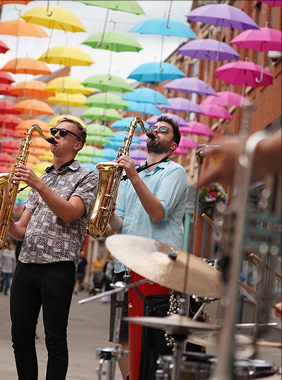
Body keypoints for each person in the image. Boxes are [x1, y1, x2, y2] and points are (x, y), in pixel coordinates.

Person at [7, 117, 98, 380]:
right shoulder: (44, 177)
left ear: (77, 144)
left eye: (62, 132)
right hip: (26, 263)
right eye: (54, 131)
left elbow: (69, 213)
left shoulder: (87, 177)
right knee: (20, 336)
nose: (54, 135)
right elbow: (22, 230)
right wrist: (4, 220)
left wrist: (37, 184)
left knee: (55, 339)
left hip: (58, 266)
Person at [108, 115, 187, 380]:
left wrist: (131, 174)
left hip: (157, 267)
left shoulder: (174, 172)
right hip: (125, 265)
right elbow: (119, 224)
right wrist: (104, 205)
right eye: (153, 128)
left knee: (153, 343)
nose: (154, 131)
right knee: (123, 341)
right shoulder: (133, 173)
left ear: (173, 144)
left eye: (163, 130)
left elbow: (157, 212)